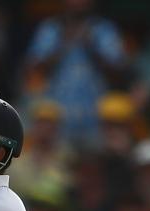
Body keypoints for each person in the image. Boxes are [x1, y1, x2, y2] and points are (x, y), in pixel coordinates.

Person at [25, 0, 129, 143]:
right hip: (57, 117)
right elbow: (34, 69)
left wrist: (91, 46)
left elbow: (119, 72)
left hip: (95, 117)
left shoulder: (104, 29)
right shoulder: (50, 28)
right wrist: (63, 44)